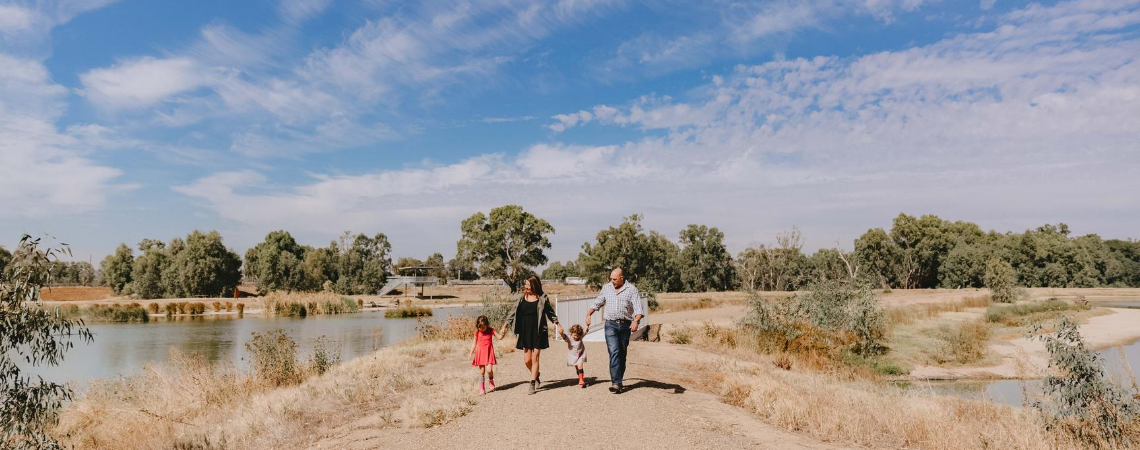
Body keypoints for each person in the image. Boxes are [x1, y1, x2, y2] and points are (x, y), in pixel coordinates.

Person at [585, 268, 644, 394]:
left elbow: (639, 308)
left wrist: (636, 321)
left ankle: (619, 380)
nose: (612, 281)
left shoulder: (632, 290)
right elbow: (598, 302)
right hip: (610, 325)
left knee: (622, 354)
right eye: (611, 279)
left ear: (622, 278)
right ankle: (616, 383)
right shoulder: (607, 288)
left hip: (625, 326)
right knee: (614, 351)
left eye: (615, 279)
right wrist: (589, 313)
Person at [500, 275, 561, 395]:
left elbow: (550, 313)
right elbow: (512, 313)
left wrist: (558, 324)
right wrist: (504, 326)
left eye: (528, 285)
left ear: (534, 286)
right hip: (525, 331)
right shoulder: (521, 298)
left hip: (538, 331)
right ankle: (536, 374)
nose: (526, 287)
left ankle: (532, 382)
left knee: (535, 357)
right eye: (526, 285)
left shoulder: (542, 298)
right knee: (527, 360)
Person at [469, 315, 498, 395]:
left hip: (489, 353)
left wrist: (502, 334)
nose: (481, 329)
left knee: (489, 370)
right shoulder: (477, 333)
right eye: (480, 327)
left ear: (487, 325)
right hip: (481, 354)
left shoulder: (491, 330)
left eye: (483, 327)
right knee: (482, 372)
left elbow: (499, 337)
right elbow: (474, 343)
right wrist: (471, 353)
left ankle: (491, 381)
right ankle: (482, 389)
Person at [558, 323, 590, 388]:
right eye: (574, 335)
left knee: (580, 364)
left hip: (581, 354)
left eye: (578, 336)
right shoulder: (569, 339)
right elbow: (564, 336)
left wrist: (587, 326)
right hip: (573, 356)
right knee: (577, 368)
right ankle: (580, 377)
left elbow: (585, 332)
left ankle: (581, 380)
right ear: (571, 333)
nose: (576, 337)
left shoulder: (580, 336)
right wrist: (561, 333)